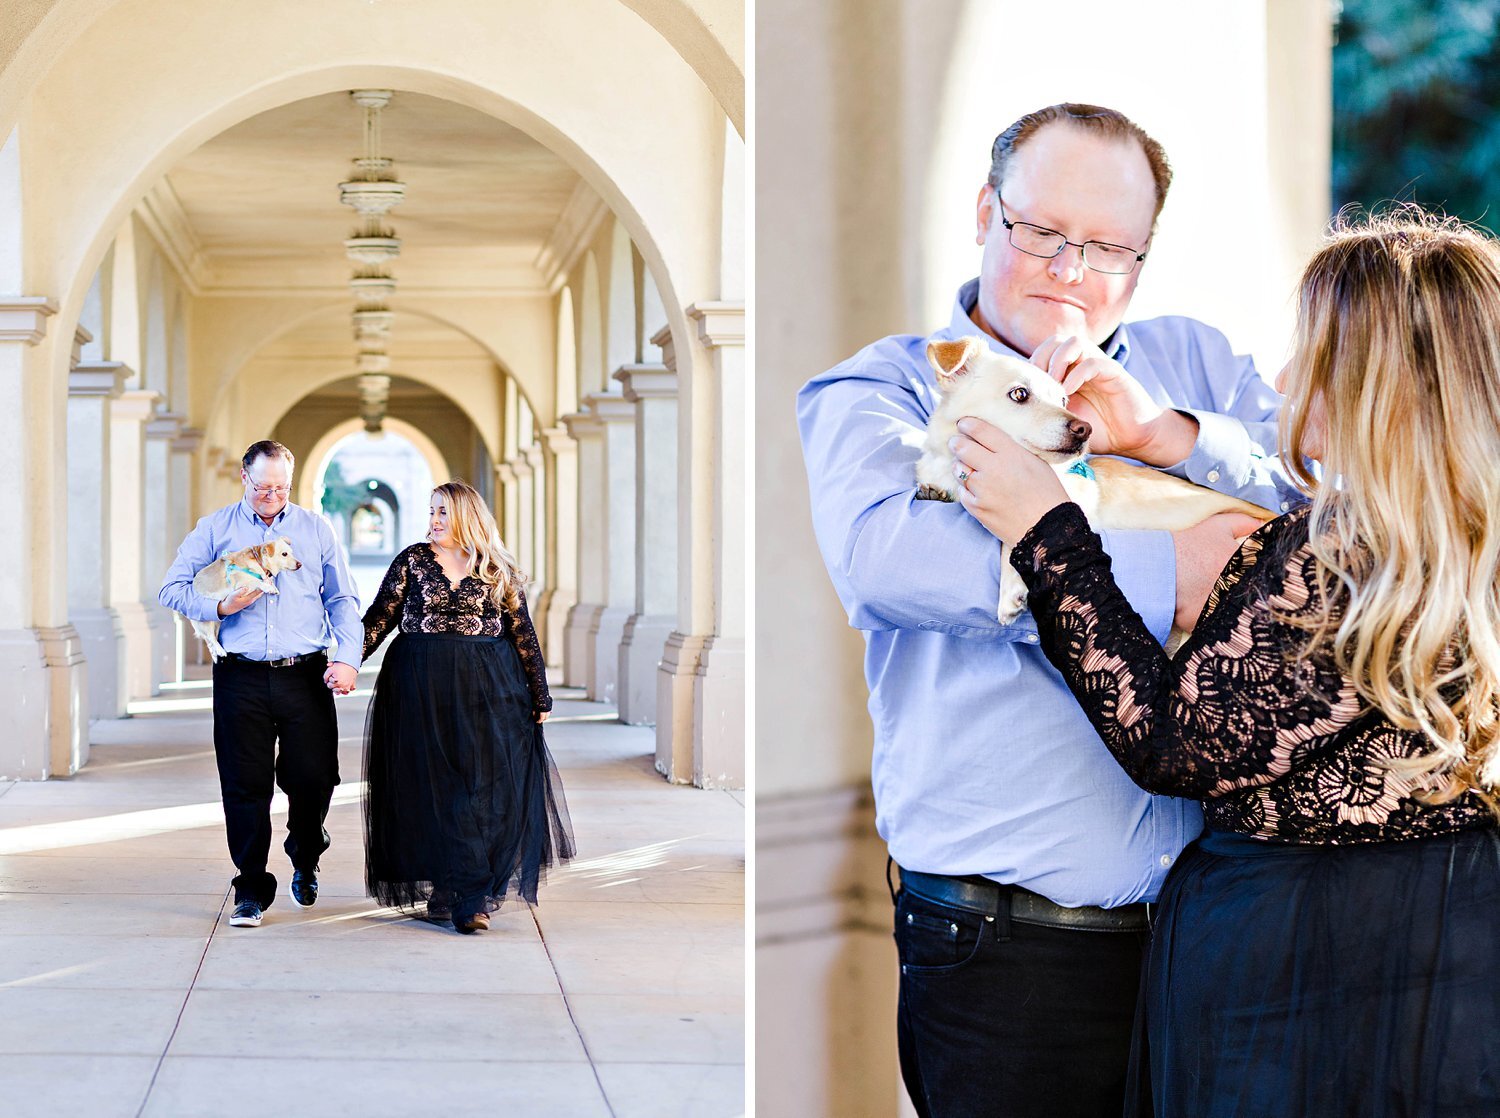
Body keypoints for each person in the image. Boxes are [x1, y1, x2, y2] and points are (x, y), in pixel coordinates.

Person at [797, 103, 1304, 1117]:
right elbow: (891, 561)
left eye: (1110, 247)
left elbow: (1330, 514)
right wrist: (1179, 565)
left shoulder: (1195, 364)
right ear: (988, 211)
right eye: (1043, 232)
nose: (1072, 269)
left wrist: (1170, 439)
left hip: (1216, 928)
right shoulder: (883, 387)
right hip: (1012, 952)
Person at [951, 210, 1500, 1115]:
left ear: (1378, 388)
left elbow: (1171, 744)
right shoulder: (1446, 544)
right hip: (1455, 941)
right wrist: (1162, 432)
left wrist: (1047, 534)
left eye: (1311, 356)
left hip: (1294, 962)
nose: (1284, 380)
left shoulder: (1339, 555)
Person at [159, 440, 363, 928]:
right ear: (244, 479)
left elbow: (342, 599)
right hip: (241, 676)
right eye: (262, 486)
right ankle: (250, 886)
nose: (272, 495)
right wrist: (221, 608)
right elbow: (172, 588)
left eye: (281, 487)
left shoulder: (316, 529)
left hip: (305, 673)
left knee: (314, 777)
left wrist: (349, 660)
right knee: (245, 785)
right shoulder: (215, 528)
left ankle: (306, 851)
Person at [359, 480, 574, 934]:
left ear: (466, 517)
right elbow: (380, 617)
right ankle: (445, 885)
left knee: (481, 788)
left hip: (488, 690)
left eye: (442, 512)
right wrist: (343, 661)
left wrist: (540, 695)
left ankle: (472, 897)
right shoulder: (412, 562)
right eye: (431, 511)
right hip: (418, 687)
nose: (433, 521)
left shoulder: (495, 568)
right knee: (428, 786)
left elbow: (522, 633)